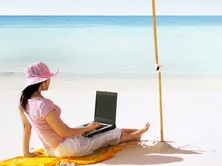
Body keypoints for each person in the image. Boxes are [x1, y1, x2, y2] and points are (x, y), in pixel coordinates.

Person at [18, 62, 150, 158]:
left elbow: (26, 127)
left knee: (100, 129)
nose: (50, 81)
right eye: (49, 78)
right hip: (67, 148)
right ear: (42, 81)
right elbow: (64, 132)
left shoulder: (23, 102)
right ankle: (135, 135)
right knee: (110, 133)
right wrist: (88, 128)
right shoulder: (43, 104)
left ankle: (133, 131)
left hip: (51, 149)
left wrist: (26, 152)